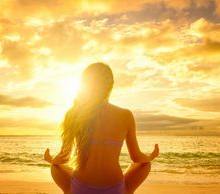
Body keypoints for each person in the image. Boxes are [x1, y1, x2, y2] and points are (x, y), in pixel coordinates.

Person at [44, 62, 159, 194]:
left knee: (55, 167)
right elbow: (136, 157)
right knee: (145, 165)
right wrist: (150, 156)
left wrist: (51, 159)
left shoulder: (73, 113)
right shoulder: (125, 115)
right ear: (110, 86)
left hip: (80, 189)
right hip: (115, 189)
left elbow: (64, 157)